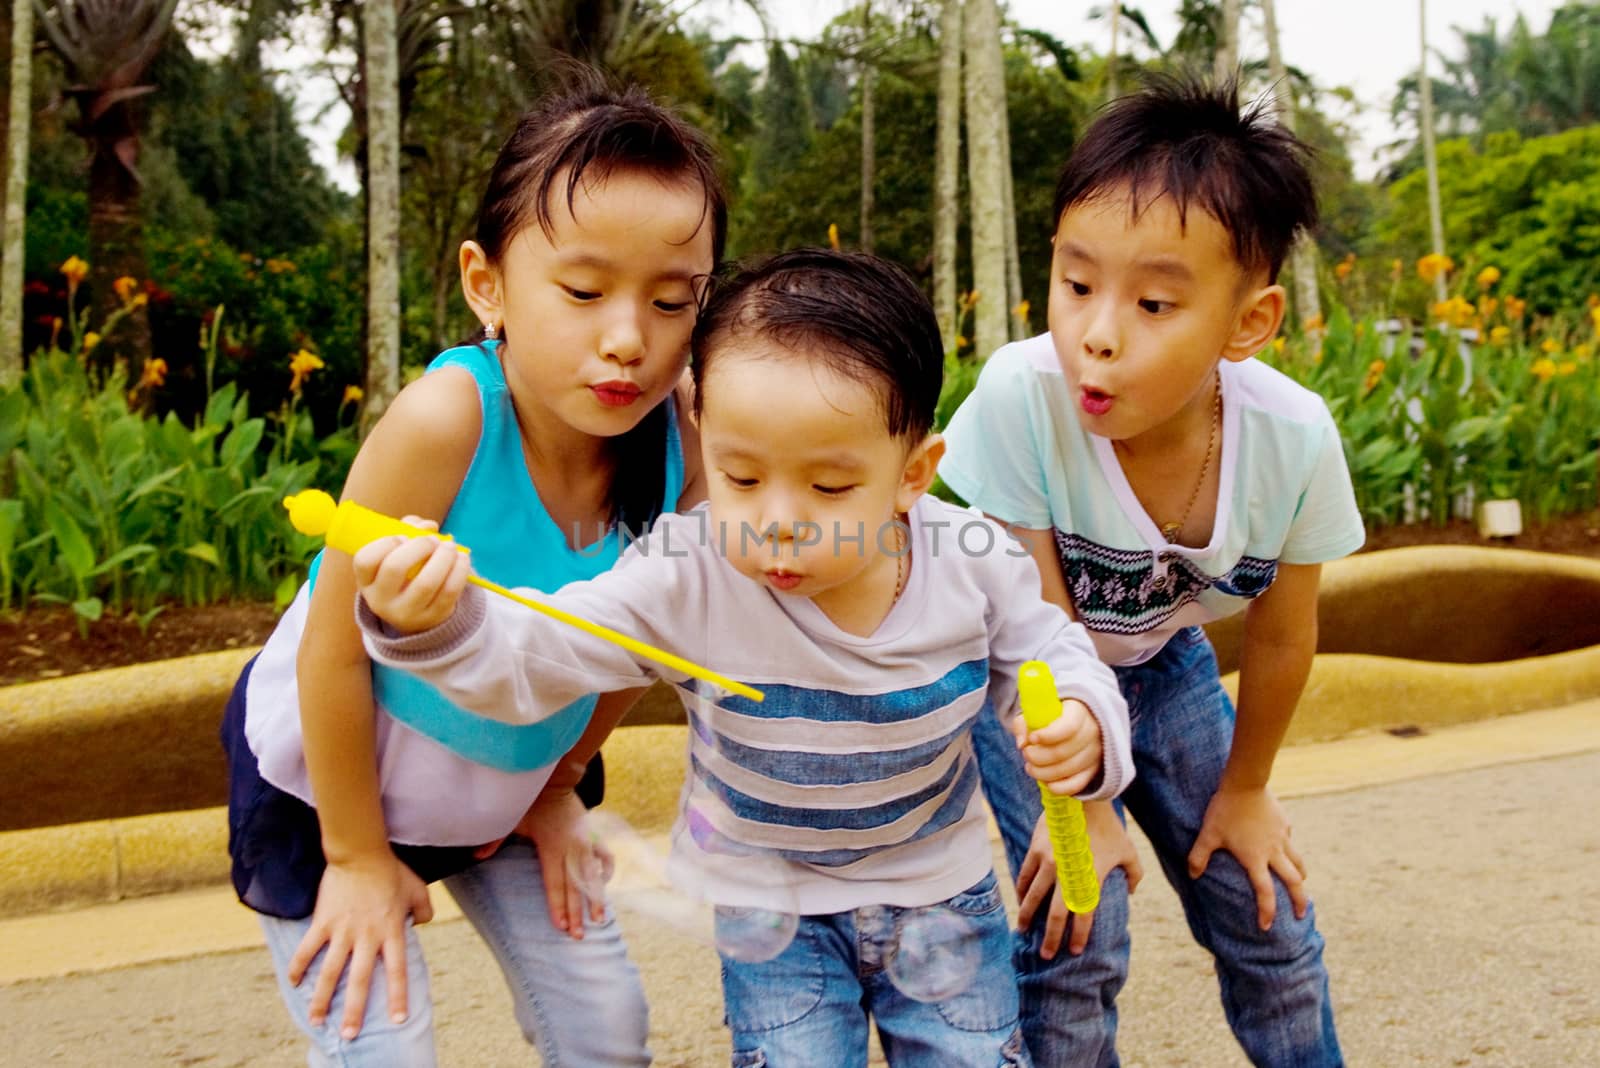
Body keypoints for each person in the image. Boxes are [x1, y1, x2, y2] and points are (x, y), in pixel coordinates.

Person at [350, 248, 1136, 1068]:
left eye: (830, 488)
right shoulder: (689, 571)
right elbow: (534, 655)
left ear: (913, 474)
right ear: (705, 442)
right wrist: (438, 620)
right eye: (741, 475)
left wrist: (1081, 721)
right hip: (772, 908)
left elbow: (1055, 651)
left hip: (939, 887)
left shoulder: (972, 562)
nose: (778, 522)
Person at [220, 70, 724, 1065]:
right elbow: (332, 652)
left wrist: (559, 784)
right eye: (582, 291)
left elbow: (631, 647)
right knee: (381, 1047)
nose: (630, 337)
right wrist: (358, 859)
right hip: (331, 790)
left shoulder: (683, 439)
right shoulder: (444, 420)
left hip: (505, 781)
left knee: (607, 1030)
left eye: (673, 301)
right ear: (485, 283)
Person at [942, 76, 1363, 1067]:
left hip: (1163, 667)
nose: (1096, 330)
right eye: (1076, 283)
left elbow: (1284, 631)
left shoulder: (1291, 439)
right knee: (1079, 926)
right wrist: (1083, 803)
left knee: (1267, 914)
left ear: (1246, 324)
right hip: (1026, 679)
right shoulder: (1021, 395)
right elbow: (1033, 627)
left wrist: (1247, 788)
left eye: (1154, 301)